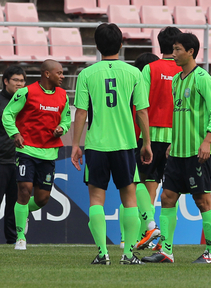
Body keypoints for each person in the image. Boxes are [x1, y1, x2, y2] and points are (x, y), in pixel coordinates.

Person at [71, 23, 152, 265]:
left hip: (96, 145)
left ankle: (102, 253)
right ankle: (127, 255)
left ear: (96, 46)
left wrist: (76, 144)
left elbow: (81, 113)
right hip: (126, 145)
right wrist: (146, 142)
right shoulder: (134, 73)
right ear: (121, 45)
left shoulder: (86, 73)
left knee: (96, 200)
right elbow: (142, 112)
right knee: (130, 200)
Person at [141, 32, 211, 264]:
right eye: (173, 49)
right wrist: (173, 144)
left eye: (178, 50)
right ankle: (166, 251)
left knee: (202, 201)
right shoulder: (177, 80)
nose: (173, 54)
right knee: (167, 197)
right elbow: (179, 116)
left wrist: (208, 142)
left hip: (197, 153)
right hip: (177, 151)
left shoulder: (203, 78)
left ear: (190, 52)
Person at [2, 60, 71, 250]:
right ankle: (21, 237)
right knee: (24, 190)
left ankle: (22, 214)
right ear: (47, 74)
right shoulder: (26, 92)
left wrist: (61, 128)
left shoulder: (63, 95)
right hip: (27, 150)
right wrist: (15, 134)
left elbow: (66, 119)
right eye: (59, 73)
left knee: (42, 199)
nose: (63, 76)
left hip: (48, 153)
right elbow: (8, 114)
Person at [132, 27, 183, 251]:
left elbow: (140, 106)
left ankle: (149, 230)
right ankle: (163, 243)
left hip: (149, 138)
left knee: (145, 188)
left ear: (159, 44)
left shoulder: (150, 69)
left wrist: (140, 139)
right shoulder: (187, 72)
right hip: (178, 140)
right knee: (171, 194)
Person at [118, 51, 160, 250]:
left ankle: (129, 238)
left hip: (130, 142)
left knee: (131, 190)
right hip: (145, 142)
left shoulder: (132, 85)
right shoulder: (144, 86)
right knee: (139, 190)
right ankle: (147, 233)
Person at [0, 66, 26, 244]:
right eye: (16, 80)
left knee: (16, 205)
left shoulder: (26, 103)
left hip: (20, 160)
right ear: (6, 81)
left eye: (22, 81)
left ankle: (13, 240)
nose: (19, 84)